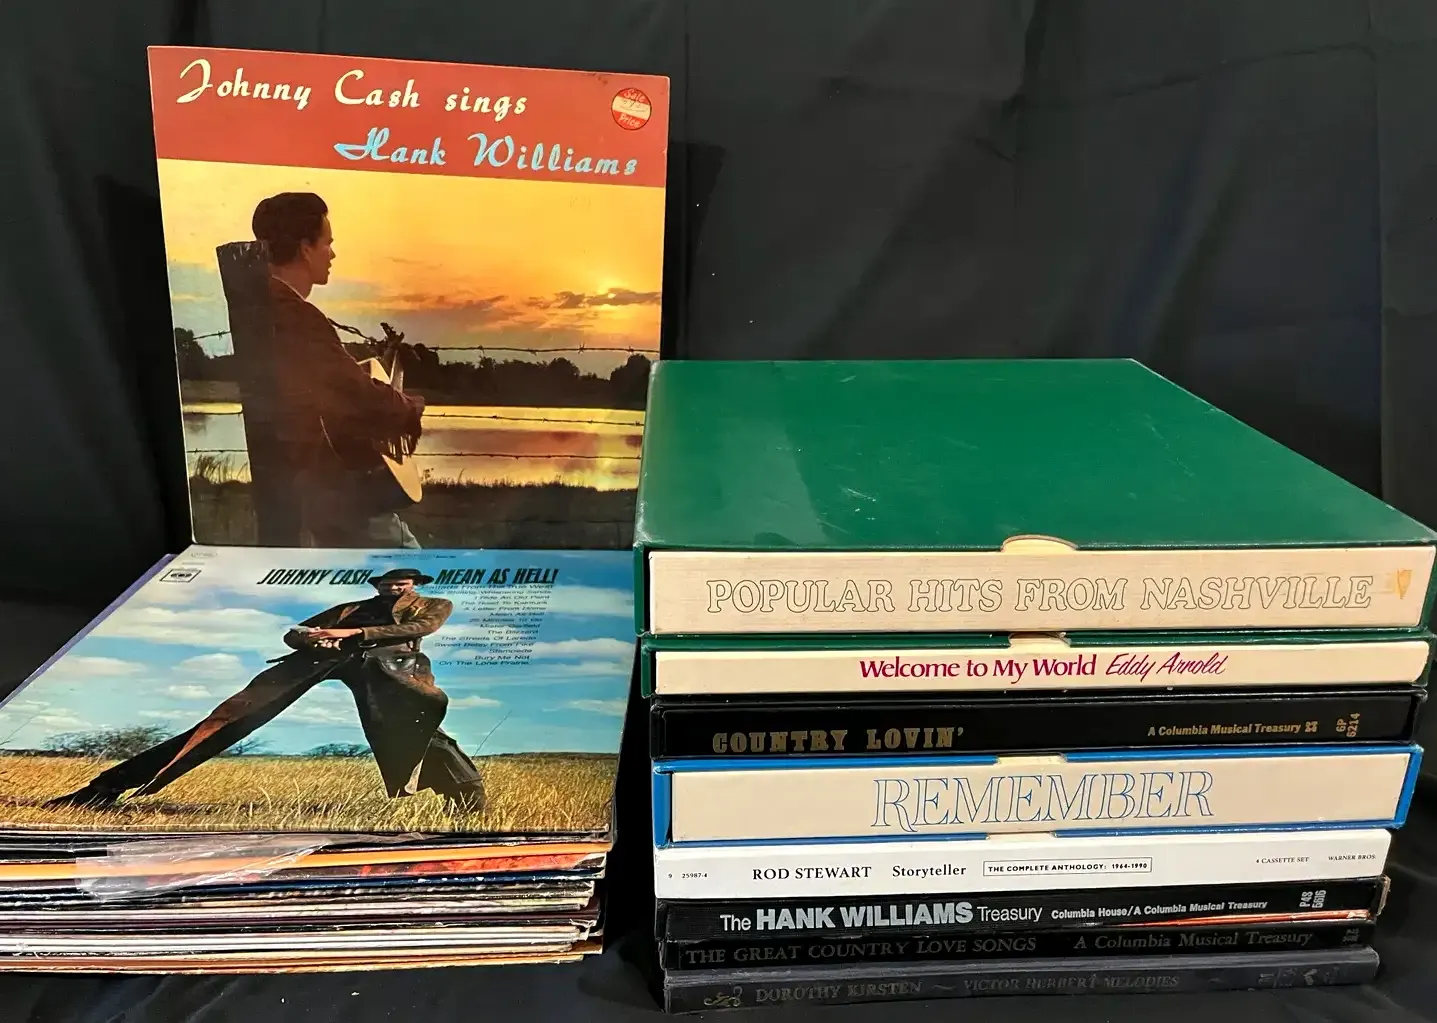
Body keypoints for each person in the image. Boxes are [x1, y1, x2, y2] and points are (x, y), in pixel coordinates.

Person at [44, 569, 486, 813]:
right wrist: (312, 640)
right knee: (224, 721)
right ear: (377, 586)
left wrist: (352, 633)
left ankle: (467, 799)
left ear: (414, 585)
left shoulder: (432, 604)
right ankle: (105, 788)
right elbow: (296, 631)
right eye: (387, 582)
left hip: (391, 666)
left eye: (402, 582)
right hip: (320, 659)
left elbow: (420, 628)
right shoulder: (350, 606)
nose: (394, 586)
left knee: (417, 726)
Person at [250, 191, 424, 548]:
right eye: (327, 242)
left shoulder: (264, 306)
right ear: (305, 248)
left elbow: (332, 381)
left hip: (306, 481)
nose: (332, 254)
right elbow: (352, 391)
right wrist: (407, 408)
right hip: (330, 486)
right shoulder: (297, 316)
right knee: (411, 560)